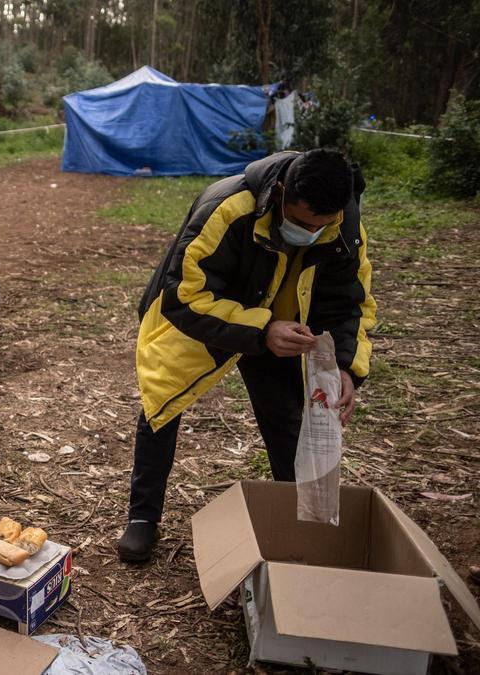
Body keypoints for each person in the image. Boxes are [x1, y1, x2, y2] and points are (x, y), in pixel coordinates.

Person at [118, 149, 376, 563]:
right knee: (161, 403)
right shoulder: (226, 207)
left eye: (321, 226)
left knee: (286, 416)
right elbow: (184, 294)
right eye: (303, 223)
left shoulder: (343, 221)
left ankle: (300, 518)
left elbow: (350, 302)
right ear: (280, 193)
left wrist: (346, 366)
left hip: (281, 325)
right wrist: (261, 328)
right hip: (201, 316)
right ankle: (143, 517)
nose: (312, 232)